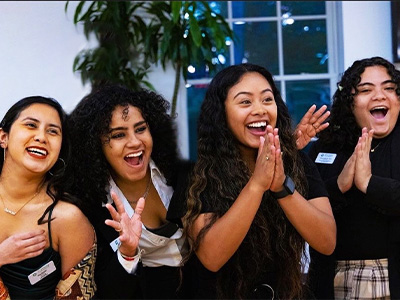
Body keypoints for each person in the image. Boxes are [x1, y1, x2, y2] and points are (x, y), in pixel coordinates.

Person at [182, 63, 336, 299]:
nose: (260, 110)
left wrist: (282, 187)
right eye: (245, 102)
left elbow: (326, 241)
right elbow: (211, 257)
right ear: (221, 113)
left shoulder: (297, 164)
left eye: (267, 99)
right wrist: (257, 184)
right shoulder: (199, 176)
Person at [68, 84, 192, 299]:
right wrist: (127, 253)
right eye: (118, 135)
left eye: (141, 129)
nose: (135, 142)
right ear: (95, 145)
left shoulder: (178, 176)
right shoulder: (92, 207)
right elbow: (110, 292)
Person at [308, 56, 400, 299]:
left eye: (389, 88)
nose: (380, 96)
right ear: (350, 102)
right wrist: (339, 185)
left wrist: (369, 183)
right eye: (366, 90)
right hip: (331, 282)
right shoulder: (324, 148)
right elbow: (303, 211)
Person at [0, 96, 96, 299]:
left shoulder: (66, 218)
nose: (41, 137)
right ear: (3, 138)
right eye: (31, 125)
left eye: (53, 131)